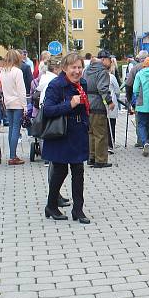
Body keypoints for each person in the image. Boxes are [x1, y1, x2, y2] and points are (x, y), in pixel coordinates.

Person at [42, 53, 91, 223]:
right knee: (60, 171)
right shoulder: (56, 85)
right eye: (73, 68)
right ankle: (51, 205)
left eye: (79, 67)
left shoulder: (82, 83)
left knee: (78, 171)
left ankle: (78, 210)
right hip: (61, 134)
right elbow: (47, 110)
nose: (77, 71)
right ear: (64, 69)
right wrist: (69, 104)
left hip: (78, 133)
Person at [83, 50, 114, 168]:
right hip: (97, 104)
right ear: (103, 59)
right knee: (100, 133)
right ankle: (100, 160)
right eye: (109, 60)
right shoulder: (102, 71)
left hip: (87, 104)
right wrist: (109, 102)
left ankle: (91, 157)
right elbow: (102, 88)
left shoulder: (87, 70)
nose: (110, 62)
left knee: (91, 133)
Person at [1, 49, 27, 165]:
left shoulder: (3, 71)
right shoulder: (17, 71)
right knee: (16, 128)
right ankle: (13, 156)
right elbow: (21, 90)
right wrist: (25, 105)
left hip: (8, 102)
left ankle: (12, 154)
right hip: (17, 102)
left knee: (11, 128)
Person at [125, 50, 149, 146]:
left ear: (139, 58)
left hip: (138, 99)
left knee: (139, 120)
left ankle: (141, 141)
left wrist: (129, 98)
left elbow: (128, 84)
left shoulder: (135, 68)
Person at [107, 59, 120, 153]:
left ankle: (105, 145)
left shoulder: (98, 77)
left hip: (102, 104)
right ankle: (111, 145)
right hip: (111, 102)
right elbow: (117, 90)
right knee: (112, 124)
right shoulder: (111, 77)